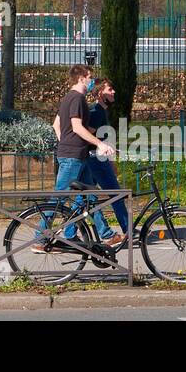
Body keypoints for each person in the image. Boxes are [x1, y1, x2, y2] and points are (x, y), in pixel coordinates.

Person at [41, 65, 120, 249]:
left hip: (77, 154)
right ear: (81, 78)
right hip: (73, 157)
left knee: (89, 195)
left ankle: (99, 233)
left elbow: (56, 125)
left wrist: (66, 143)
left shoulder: (69, 98)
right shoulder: (77, 98)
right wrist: (99, 144)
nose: (92, 80)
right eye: (90, 77)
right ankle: (40, 238)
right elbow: (77, 127)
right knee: (58, 197)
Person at [85, 80, 132, 242]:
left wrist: (111, 158)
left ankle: (71, 233)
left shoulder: (99, 111)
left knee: (85, 198)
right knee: (114, 193)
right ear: (100, 93)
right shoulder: (96, 112)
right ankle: (126, 230)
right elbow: (87, 137)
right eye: (110, 89)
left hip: (94, 158)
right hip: (95, 158)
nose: (114, 92)